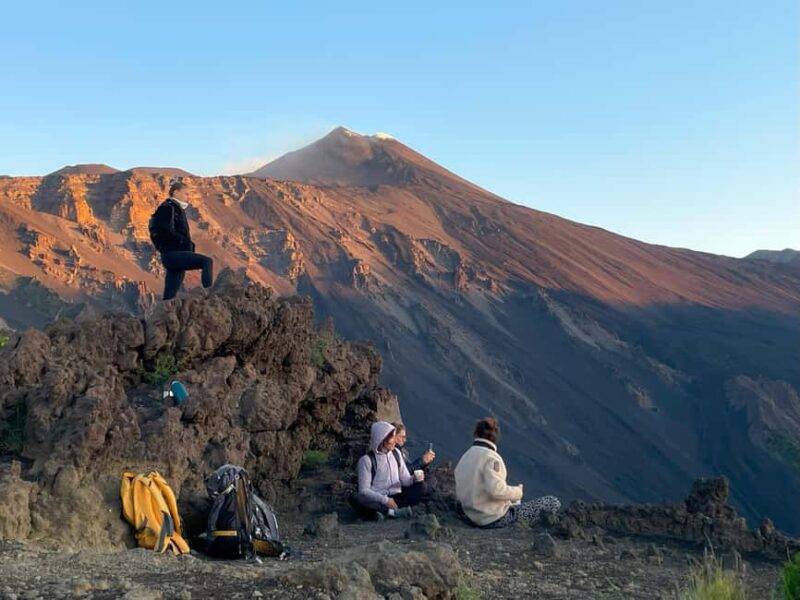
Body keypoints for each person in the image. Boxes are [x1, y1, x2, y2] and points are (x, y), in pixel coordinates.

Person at [454, 416, 561, 528]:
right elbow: (496, 490)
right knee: (552, 502)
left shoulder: (465, 456)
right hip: (493, 518)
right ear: (496, 436)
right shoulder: (491, 458)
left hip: (471, 516)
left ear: (476, 434)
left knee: (514, 503)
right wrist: (518, 492)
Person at [149, 181, 213, 300]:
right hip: (173, 254)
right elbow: (165, 230)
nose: (188, 197)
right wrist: (184, 242)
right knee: (207, 262)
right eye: (186, 194)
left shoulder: (174, 208)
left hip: (171, 256)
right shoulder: (168, 208)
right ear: (176, 192)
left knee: (169, 297)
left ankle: (162, 317)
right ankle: (211, 296)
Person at [349, 421, 425, 520]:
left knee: (421, 486)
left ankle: (378, 513)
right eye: (392, 437)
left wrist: (414, 478)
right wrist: (385, 500)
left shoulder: (396, 453)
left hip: (398, 497)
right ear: (382, 439)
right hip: (378, 499)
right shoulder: (366, 460)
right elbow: (364, 490)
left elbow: (405, 480)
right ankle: (391, 512)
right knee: (355, 497)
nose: (394, 441)